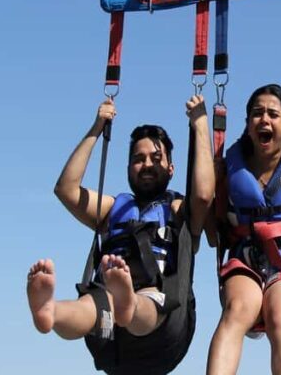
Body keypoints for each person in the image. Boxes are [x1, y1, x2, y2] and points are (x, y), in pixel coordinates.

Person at [26, 95, 214, 375]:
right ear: (128, 169)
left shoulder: (178, 210)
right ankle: (51, 312)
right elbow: (65, 189)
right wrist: (97, 128)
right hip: (111, 321)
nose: (147, 164)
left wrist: (200, 124)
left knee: (143, 304)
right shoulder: (113, 207)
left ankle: (129, 302)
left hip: (161, 313)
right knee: (91, 306)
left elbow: (203, 194)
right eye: (138, 159)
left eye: (156, 158)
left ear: (171, 169)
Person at [206, 84, 281, 375]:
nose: (264, 120)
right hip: (244, 260)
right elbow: (211, 232)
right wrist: (210, 170)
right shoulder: (229, 170)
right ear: (248, 126)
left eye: (273, 114)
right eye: (257, 114)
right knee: (236, 311)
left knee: (280, 316)